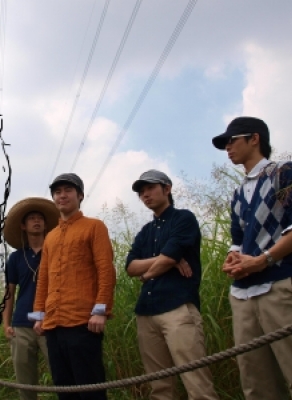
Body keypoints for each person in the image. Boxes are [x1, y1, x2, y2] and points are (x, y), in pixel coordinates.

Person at [212, 116, 292, 399]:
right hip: (243, 295)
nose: (228, 148)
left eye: (232, 140)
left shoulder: (283, 173)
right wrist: (232, 259)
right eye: (225, 144)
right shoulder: (237, 194)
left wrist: (263, 260)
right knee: (256, 385)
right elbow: (237, 240)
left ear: (254, 138)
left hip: (279, 285)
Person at [125, 169, 219, 400]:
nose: (145, 195)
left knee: (196, 382)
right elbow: (130, 267)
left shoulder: (184, 218)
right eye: (141, 192)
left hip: (178, 308)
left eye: (150, 188)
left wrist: (148, 274)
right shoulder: (145, 232)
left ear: (167, 189)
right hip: (146, 312)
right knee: (159, 387)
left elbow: (167, 258)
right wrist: (166, 260)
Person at [29, 173, 116, 400]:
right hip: (53, 324)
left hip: (84, 321)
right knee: (63, 387)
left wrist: (100, 310)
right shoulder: (50, 237)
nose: (62, 195)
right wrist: (39, 315)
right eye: (57, 192)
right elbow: (43, 279)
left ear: (80, 195)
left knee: (89, 387)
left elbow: (106, 270)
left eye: (68, 190)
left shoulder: (94, 226)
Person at [3, 197, 60, 400]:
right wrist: (6, 323)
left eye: (40, 218)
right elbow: (9, 292)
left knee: (61, 376)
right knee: (25, 381)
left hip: (53, 321)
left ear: (46, 225)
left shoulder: (56, 251)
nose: (37, 221)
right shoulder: (16, 257)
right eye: (32, 219)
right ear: (23, 226)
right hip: (21, 323)